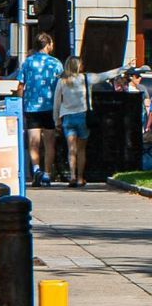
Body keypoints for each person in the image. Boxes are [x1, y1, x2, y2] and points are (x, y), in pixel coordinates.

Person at [21, 31, 65, 186]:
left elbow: (21, 84)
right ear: (47, 45)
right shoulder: (56, 64)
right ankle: (47, 174)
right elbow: (62, 85)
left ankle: (36, 169)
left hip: (31, 106)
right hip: (50, 107)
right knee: (49, 142)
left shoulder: (28, 62)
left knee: (33, 142)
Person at [53, 56, 91, 188]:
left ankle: (72, 176)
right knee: (81, 149)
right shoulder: (85, 78)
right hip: (82, 115)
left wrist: (56, 119)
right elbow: (103, 76)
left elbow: (57, 102)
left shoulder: (62, 81)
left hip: (67, 117)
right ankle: (80, 178)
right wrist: (122, 69)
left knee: (71, 149)